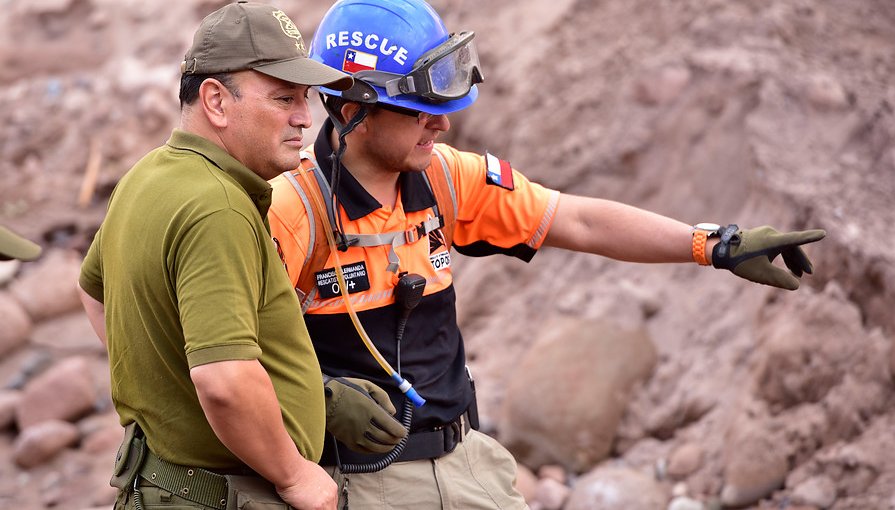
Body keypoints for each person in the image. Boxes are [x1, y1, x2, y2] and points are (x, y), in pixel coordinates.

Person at [266, 0, 826, 508]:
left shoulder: (446, 178)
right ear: (351, 111)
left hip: (468, 467)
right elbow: (225, 360)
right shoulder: (293, 210)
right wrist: (319, 397)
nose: (442, 122)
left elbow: (576, 219)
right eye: (418, 109)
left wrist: (711, 244)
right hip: (360, 485)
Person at [77, 2, 354, 509]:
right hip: (216, 495)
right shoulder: (218, 207)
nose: (304, 117)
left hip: (165, 486)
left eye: (305, 98)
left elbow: (92, 292)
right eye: (282, 98)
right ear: (216, 102)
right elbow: (224, 380)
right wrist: (294, 474)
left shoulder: (148, 175)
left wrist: (168, 389)